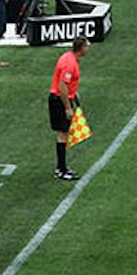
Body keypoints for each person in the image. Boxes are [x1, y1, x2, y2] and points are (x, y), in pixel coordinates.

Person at [50, 37, 87, 181]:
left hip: (60, 98)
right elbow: (62, 85)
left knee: (63, 133)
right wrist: (67, 107)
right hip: (59, 100)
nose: (88, 48)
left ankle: (62, 167)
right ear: (81, 48)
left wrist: (74, 93)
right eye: (86, 46)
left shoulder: (68, 57)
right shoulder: (70, 64)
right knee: (62, 134)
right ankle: (61, 169)